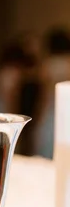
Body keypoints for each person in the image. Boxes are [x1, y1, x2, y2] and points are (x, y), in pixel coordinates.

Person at [34, 28, 70, 159]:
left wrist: (38, 115)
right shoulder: (68, 62)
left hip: (50, 110)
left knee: (46, 147)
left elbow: (43, 94)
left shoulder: (47, 65)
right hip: (67, 110)